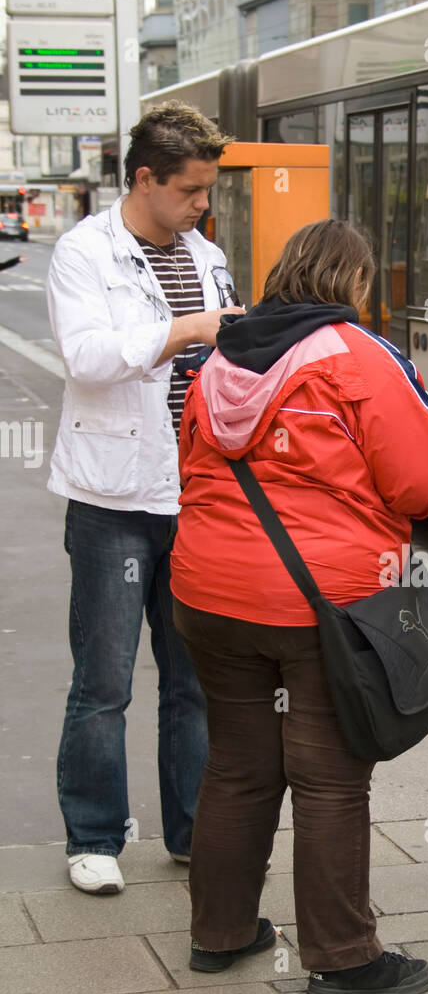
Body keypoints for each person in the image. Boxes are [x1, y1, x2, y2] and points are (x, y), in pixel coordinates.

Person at [169, 218, 428, 994]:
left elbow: (191, 463)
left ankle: (220, 933)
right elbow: (425, 485)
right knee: (332, 780)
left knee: (236, 767)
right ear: (355, 282)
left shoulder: (217, 355)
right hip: (320, 603)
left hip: (207, 592)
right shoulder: (358, 356)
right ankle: (344, 958)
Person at [46, 101, 243, 895]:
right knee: (104, 680)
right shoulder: (83, 252)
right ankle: (93, 838)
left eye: (207, 191)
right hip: (112, 500)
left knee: (192, 680)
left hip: (194, 494)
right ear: (145, 179)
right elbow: (89, 357)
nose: (203, 205)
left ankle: (193, 831)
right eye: (191, 190)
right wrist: (186, 330)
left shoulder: (207, 253)